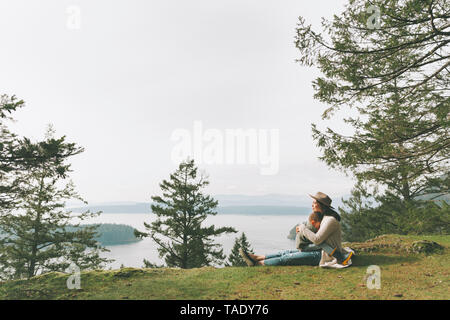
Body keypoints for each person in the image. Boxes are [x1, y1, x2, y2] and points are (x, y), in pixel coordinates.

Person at [239, 192, 353, 267]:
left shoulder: (330, 220)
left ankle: (259, 263)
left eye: (314, 203)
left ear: (321, 205)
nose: (312, 205)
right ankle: (256, 257)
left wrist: (303, 228)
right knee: (286, 252)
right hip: (320, 250)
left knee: (287, 258)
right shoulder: (323, 218)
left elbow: (317, 239)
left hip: (326, 255)